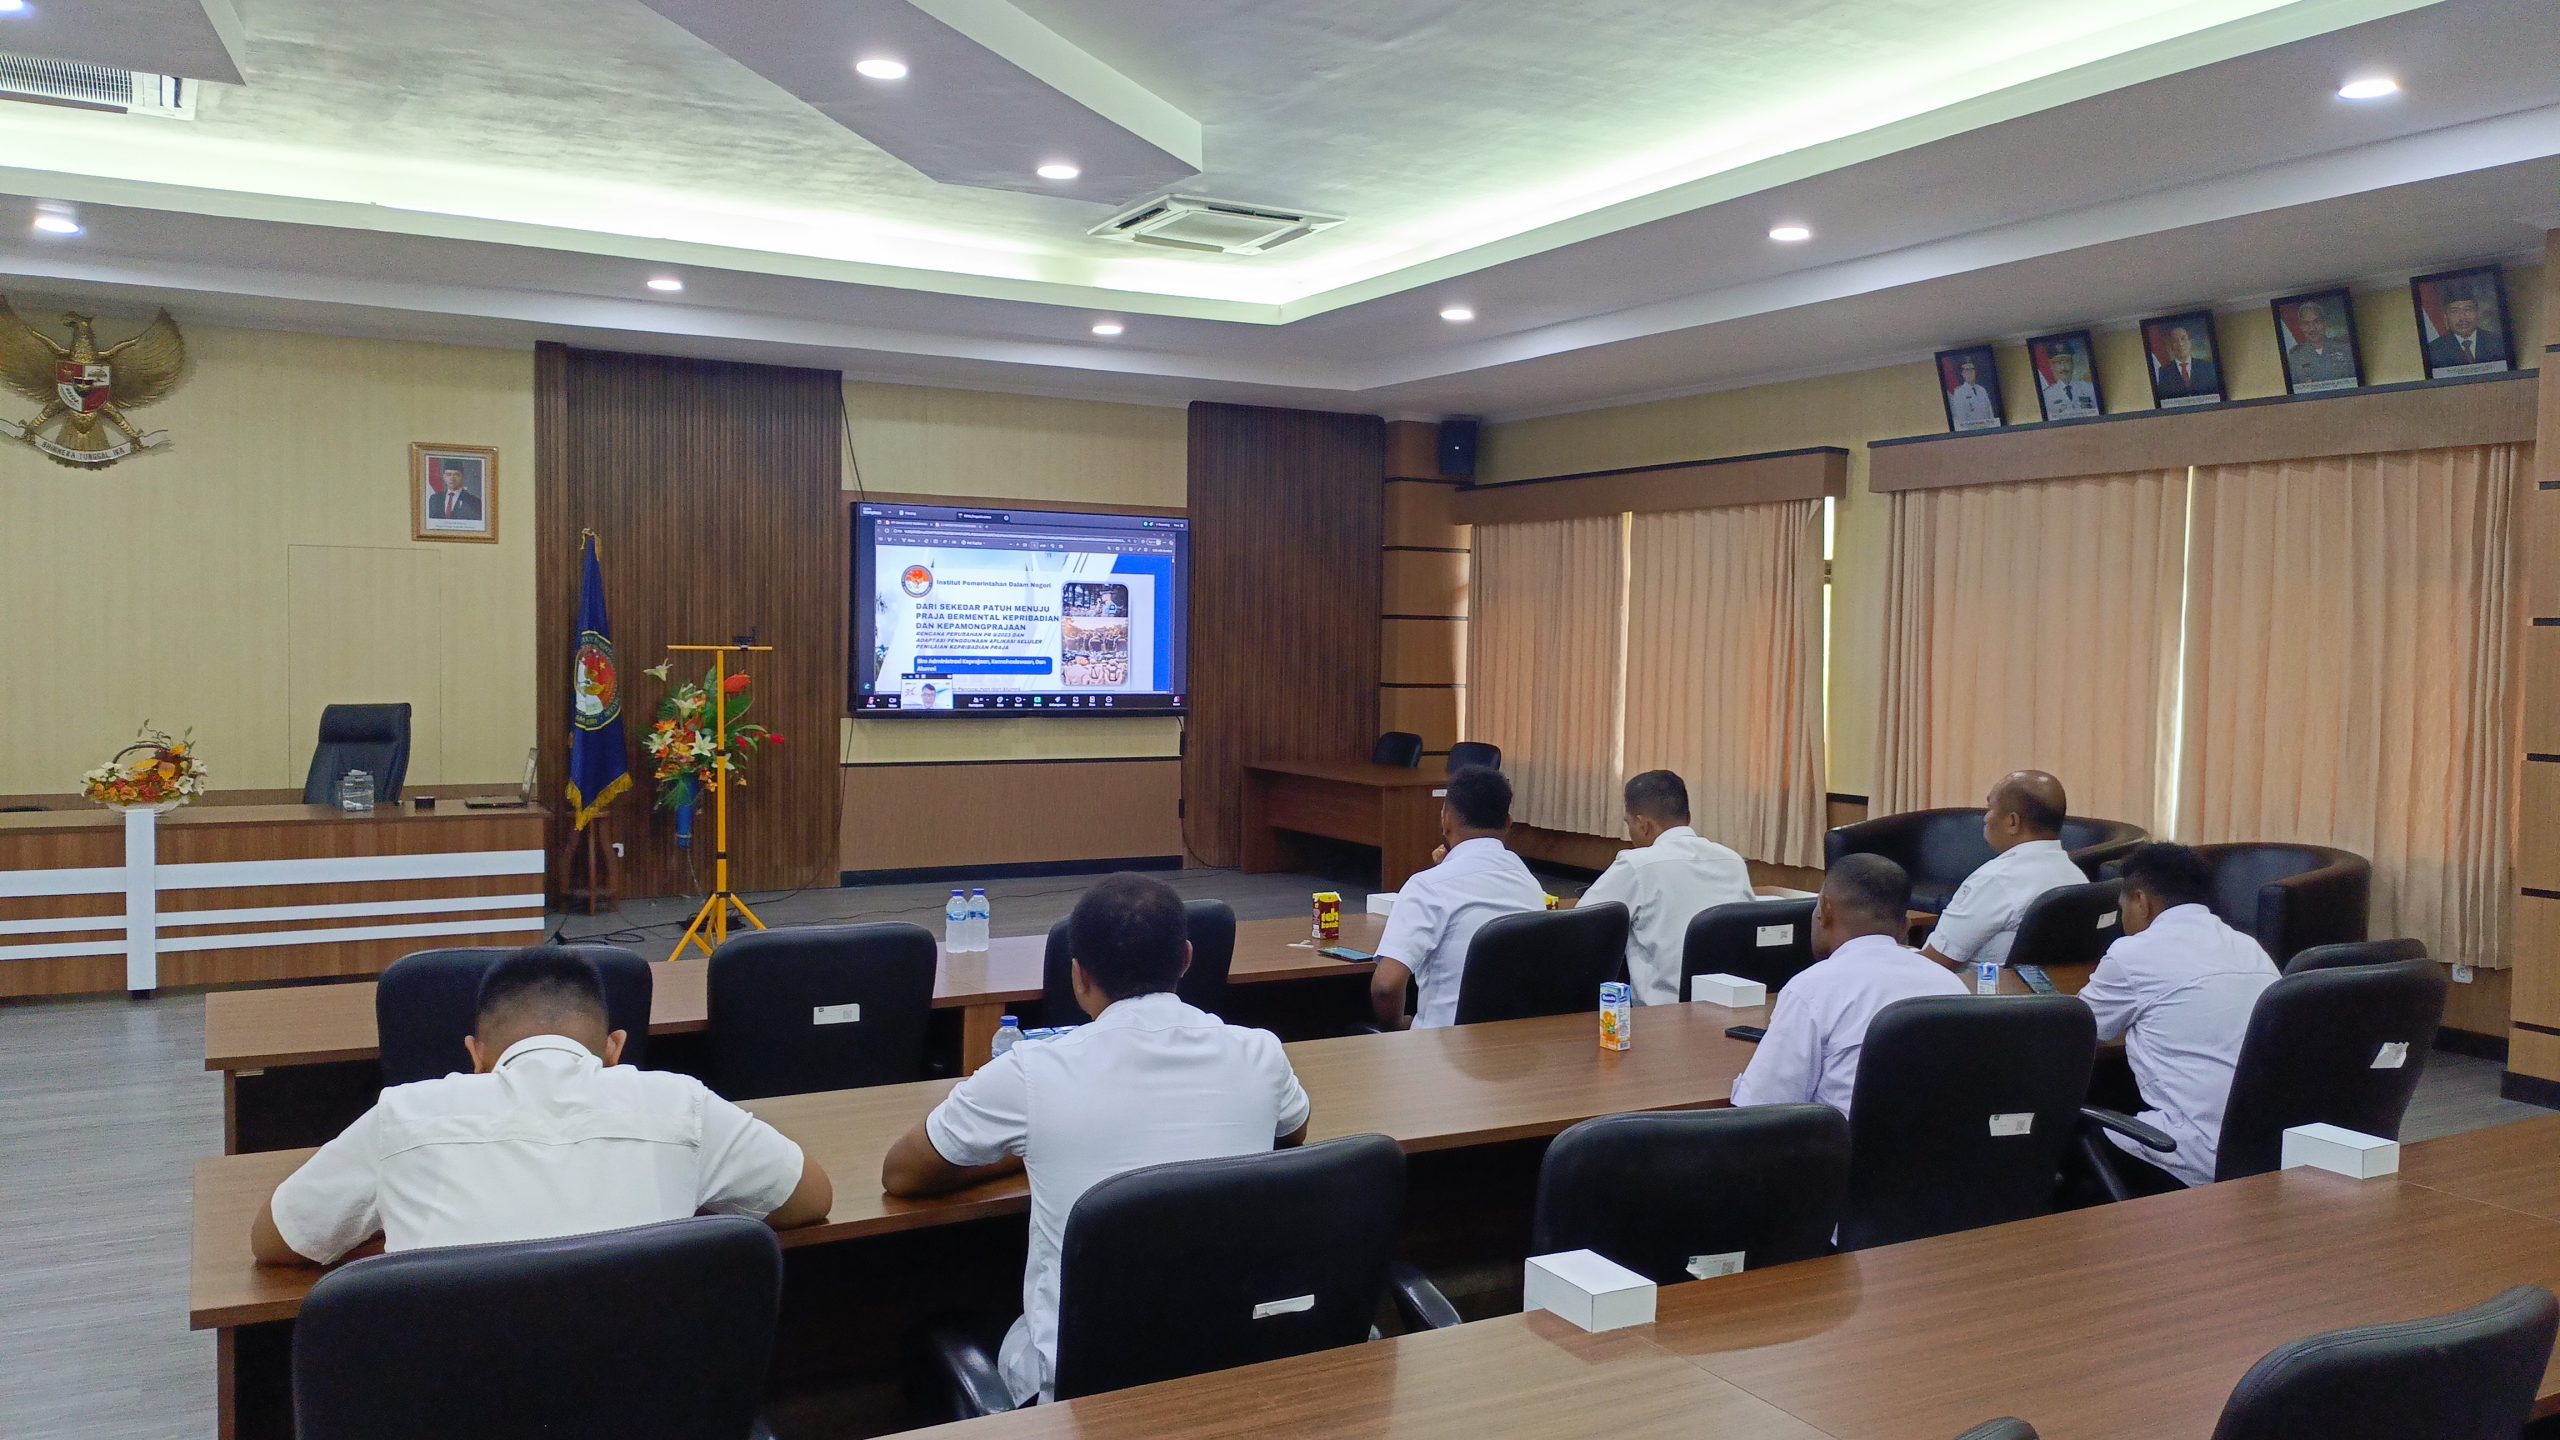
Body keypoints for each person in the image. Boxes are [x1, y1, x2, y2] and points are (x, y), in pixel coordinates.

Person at [882, 874, 1310, 1407]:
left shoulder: (1029, 1072)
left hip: (1081, 1400)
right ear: (1186, 959)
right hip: (1231, 1370)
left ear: (1078, 975)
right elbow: (1291, 1133)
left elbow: (902, 1173)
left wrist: (1024, 1151)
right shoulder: (1261, 1052)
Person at [250, 947, 831, 1266]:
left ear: (476, 1056)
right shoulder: (681, 1102)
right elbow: (811, 1198)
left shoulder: (404, 1114)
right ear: (615, 1050)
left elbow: (277, 1240)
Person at [2077, 843, 2279, 1189]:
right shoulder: (2249, 948)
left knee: (2066, 1127)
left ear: (2141, 901)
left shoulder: (2133, 953)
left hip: (2193, 1154)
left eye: (2123, 908)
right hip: (2263, 1152)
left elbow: (2077, 1030)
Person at [1728, 855, 1966, 1115]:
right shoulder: (1952, 986)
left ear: (1825, 910)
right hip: (1941, 1140)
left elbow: (1763, 1108)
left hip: (1846, 1141)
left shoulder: (1812, 989)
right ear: (1905, 928)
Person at [1370, 765, 1546, 1030]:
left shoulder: (1428, 886)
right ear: (1509, 823)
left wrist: (1398, 1026)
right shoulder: (1529, 884)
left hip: (1441, 1046)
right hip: (1510, 1041)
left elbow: (1385, 986)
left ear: (1445, 819)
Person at [1579, 770, 1755, 1005]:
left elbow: (1581, 925)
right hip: (1731, 1006)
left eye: (1629, 823)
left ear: (1643, 825)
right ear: (1688, 817)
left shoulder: (1637, 865)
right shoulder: (1732, 860)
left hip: (1661, 1015)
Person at [1919, 770, 2089, 971]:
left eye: (1990, 808)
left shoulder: (1996, 879)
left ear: (2012, 822)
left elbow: (1935, 963)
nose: (1985, 818)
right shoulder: (2077, 877)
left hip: (1973, 988)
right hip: (2053, 989)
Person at [2425, 290, 2508, 370]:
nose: (2462, 317)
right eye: (2455, 312)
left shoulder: (2499, 342)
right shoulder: (2433, 350)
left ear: (2477, 313)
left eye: (2468, 310)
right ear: (2446, 317)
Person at [2283, 299, 2358, 385]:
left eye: (2317, 322)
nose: (2312, 328)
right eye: (2306, 323)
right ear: (2301, 326)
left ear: (2325, 322)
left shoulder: (2346, 349)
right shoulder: (2295, 357)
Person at [2151, 325, 2220, 400]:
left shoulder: (2207, 367)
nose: (2180, 344)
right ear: (2171, 346)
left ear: (2190, 342)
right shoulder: (2164, 372)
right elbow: (2164, 399)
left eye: (2183, 339)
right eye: (2175, 341)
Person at [2038, 347, 2099, 419]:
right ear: (2052, 367)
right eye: (2058, 363)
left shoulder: (2089, 388)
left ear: (2073, 364)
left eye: (2067, 361)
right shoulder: (2047, 395)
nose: (2063, 367)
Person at [1946, 357, 1998, 429]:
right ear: (1962, 373)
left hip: (1988, 429)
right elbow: (1961, 417)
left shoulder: (1982, 390)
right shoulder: (1959, 392)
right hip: (1971, 430)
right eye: (1967, 370)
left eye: (1972, 369)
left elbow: (1990, 412)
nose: (1970, 372)